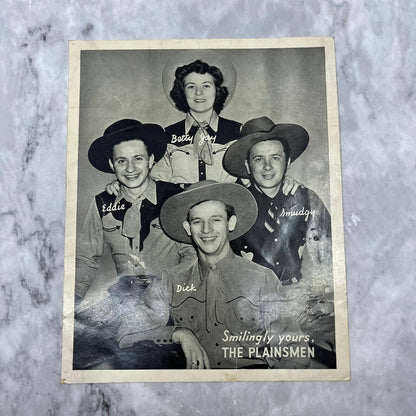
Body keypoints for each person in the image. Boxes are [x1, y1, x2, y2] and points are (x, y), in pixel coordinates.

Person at [116, 181, 311, 369]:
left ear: (230, 223)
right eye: (197, 221)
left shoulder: (262, 278)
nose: (206, 230)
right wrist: (178, 333)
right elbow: (126, 336)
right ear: (188, 229)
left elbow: (295, 350)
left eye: (215, 220)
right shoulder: (170, 280)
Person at [73, 119, 195, 369]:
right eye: (121, 161)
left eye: (138, 159)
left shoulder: (175, 197)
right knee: (79, 351)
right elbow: (85, 259)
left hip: (170, 301)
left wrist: (174, 293)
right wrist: (69, 303)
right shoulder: (102, 203)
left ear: (151, 160)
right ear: (111, 165)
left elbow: (192, 255)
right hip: (122, 302)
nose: (130, 168)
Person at [223, 116, 335, 367]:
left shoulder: (307, 198)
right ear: (247, 165)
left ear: (288, 161)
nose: (267, 167)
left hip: (300, 296)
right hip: (251, 304)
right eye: (258, 159)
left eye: (275, 158)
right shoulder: (234, 206)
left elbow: (327, 255)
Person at [150, 58, 242, 184]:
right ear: (182, 92)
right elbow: (158, 183)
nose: (199, 93)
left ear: (217, 90)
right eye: (191, 86)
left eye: (206, 86)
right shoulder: (167, 135)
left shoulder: (237, 132)